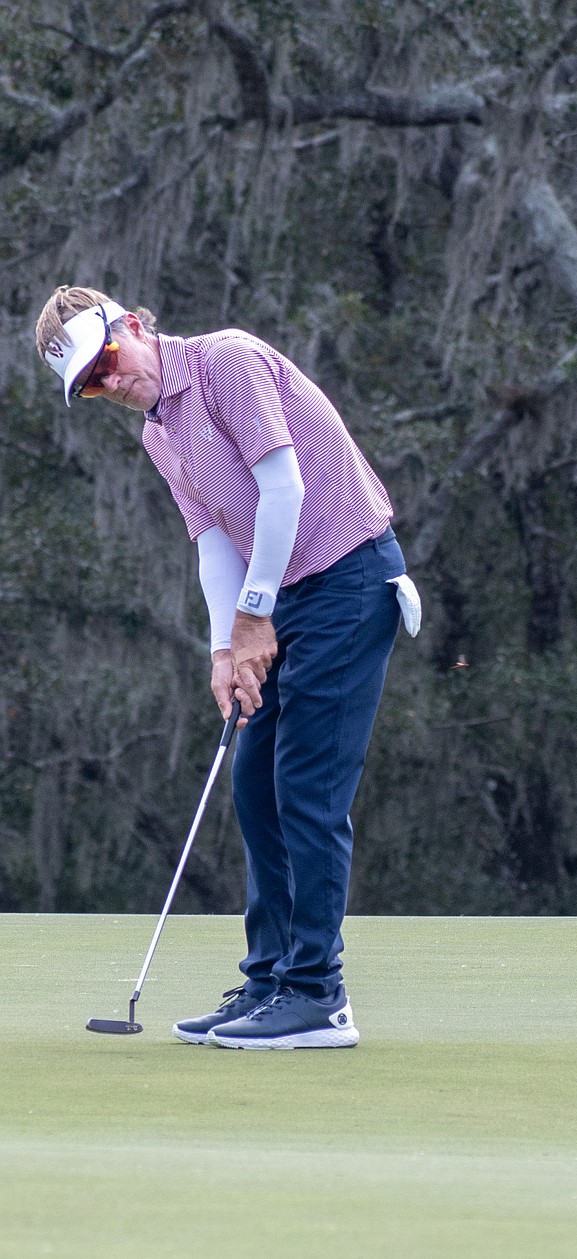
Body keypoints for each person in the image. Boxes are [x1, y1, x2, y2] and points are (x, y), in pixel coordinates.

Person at [35, 286, 420, 1050]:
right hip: (280, 599)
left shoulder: (226, 361)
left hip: (348, 580)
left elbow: (283, 491)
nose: (110, 383)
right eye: (90, 383)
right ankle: (271, 977)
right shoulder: (158, 436)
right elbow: (215, 544)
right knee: (254, 783)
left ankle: (320, 995)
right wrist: (224, 647)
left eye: (107, 360)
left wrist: (252, 618)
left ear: (135, 326)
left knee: (306, 787)